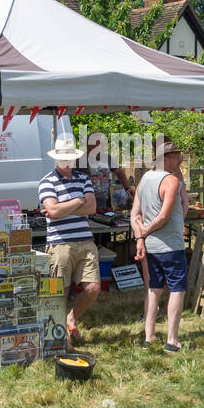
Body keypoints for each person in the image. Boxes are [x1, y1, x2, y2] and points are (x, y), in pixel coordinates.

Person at [39, 136, 100, 346]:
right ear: (56, 158)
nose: (67, 162)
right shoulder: (47, 181)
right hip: (59, 243)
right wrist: (77, 200)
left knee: (93, 288)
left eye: (70, 158)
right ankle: (62, 339)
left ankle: (71, 318)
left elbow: (91, 208)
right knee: (60, 293)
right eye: (63, 158)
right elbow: (54, 211)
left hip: (85, 241)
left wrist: (61, 208)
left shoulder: (83, 178)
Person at [131, 139, 188, 352]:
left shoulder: (144, 179)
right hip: (171, 245)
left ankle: (149, 337)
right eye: (176, 156)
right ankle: (172, 339)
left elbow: (134, 214)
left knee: (153, 290)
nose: (180, 160)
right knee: (177, 290)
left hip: (151, 246)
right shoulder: (170, 181)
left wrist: (140, 237)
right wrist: (144, 232)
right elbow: (164, 216)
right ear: (167, 159)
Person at [86, 131, 132, 213]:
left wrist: (127, 188)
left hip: (106, 204)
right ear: (90, 145)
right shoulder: (81, 160)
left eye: (103, 143)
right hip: (88, 203)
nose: (102, 146)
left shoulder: (107, 157)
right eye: (99, 143)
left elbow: (119, 172)